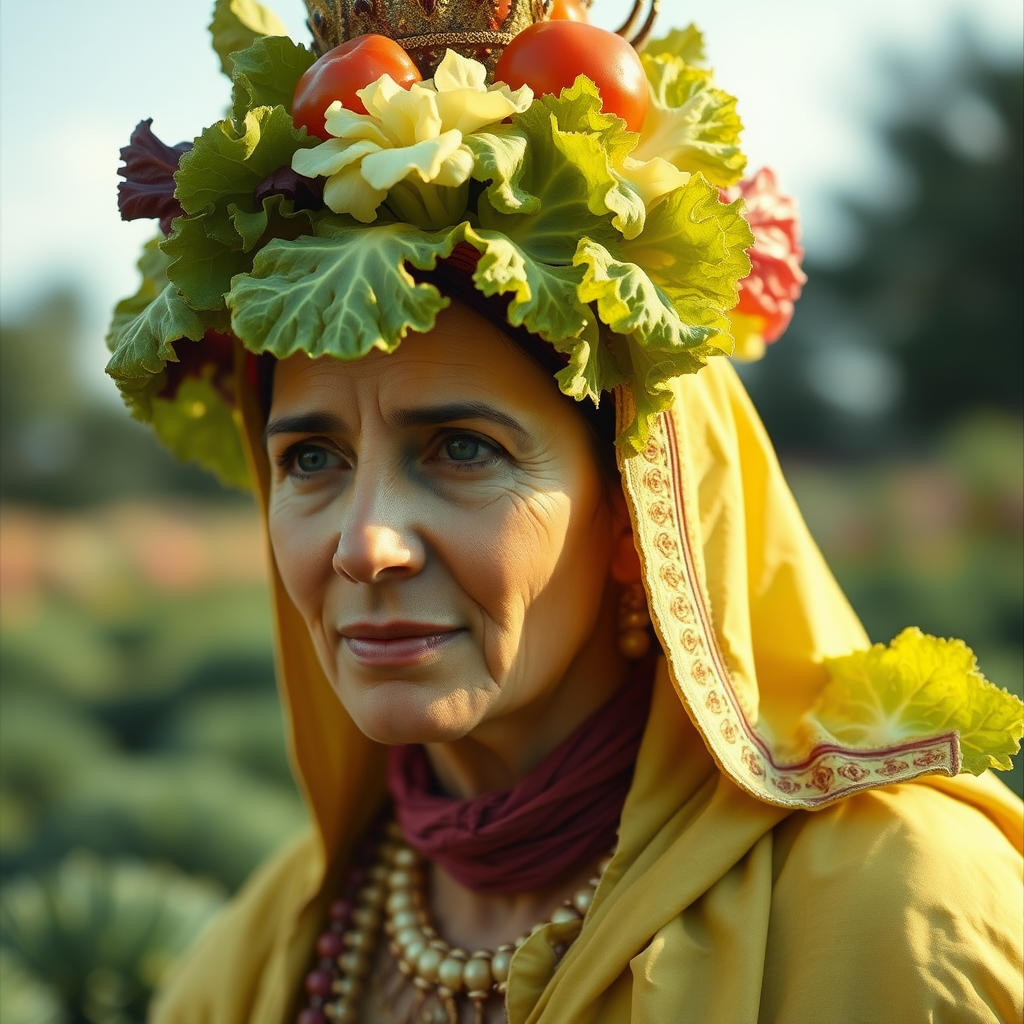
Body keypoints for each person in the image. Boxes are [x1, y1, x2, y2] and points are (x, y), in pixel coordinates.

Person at [108, 1, 1023, 1021]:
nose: (365, 543)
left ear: (642, 512)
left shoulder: (897, 911)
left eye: (462, 450)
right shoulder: (267, 955)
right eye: (312, 458)